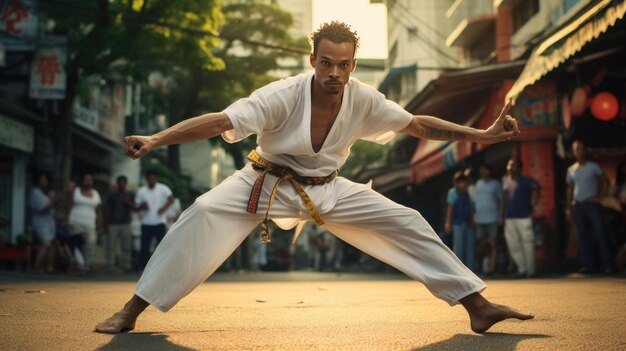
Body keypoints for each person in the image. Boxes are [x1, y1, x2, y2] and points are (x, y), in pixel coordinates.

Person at [95, 21, 532, 335]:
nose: (334, 74)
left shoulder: (364, 100)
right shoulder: (281, 95)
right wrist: (155, 139)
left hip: (330, 187)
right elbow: (219, 121)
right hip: (263, 182)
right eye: (326, 63)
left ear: (353, 65)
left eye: (343, 65)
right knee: (203, 212)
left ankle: (476, 305)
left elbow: (417, 124)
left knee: (408, 220)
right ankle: (133, 309)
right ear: (313, 60)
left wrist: (483, 133)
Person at [565, 140, 612, 273]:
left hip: (592, 204)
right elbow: (570, 188)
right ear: (573, 152)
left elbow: (605, 180)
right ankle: (587, 265)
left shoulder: (593, 166)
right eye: (576, 149)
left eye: (581, 148)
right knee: (582, 236)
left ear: (584, 151)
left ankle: (608, 265)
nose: (579, 151)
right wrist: (569, 207)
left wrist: (600, 197)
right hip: (578, 205)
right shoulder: (571, 169)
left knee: (599, 234)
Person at [501, 159, 539, 278]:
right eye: (509, 165)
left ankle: (531, 270)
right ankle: (522, 268)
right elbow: (502, 199)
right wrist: (501, 215)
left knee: (527, 243)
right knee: (513, 244)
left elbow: (536, 188)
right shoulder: (504, 180)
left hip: (524, 216)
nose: (510, 167)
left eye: (513, 165)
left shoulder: (526, 180)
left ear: (519, 168)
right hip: (509, 216)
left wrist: (533, 203)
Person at [135, 170, 174, 270]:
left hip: (159, 222)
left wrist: (164, 208)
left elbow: (171, 199)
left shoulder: (163, 188)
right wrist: (143, 206)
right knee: (145, 246)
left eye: (153, 178)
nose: (152, 180)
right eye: (150, 179)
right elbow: (136, 207)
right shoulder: (142, 191)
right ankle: (143, 267)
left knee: (161, 245)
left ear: (156, 179)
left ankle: (163, 266)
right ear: (147, 180)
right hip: (146, 222)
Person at [67, 173, 102, 272]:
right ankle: (78, 266)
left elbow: (98, 210)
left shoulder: (96, 193)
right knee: (76, 245)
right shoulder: (75, 191)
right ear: (82, 181)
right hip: (75, 222)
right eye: (86, 179)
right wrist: (66, 220)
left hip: (90, 224)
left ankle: (86, 266)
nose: (88, 181)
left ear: (92, 182)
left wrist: (99, 223)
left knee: (90, 244)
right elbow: (69, 205)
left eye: (89, 180)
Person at [473, 164, 502, 274]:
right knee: (481, 243)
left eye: (485, 170)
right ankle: (486, 263)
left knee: (493, 243)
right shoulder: (478, 184)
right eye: (481, 170)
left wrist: (500, 216)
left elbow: (501, 200)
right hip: (480, 218)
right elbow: (476, 202)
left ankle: (492, 267)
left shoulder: (496, 184)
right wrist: (474, 216)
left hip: (492, 217)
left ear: (489, 171)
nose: (483, 172)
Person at [29, 173, 61, 273]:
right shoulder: (35, 193)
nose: (44, 182)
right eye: (42, 180)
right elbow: (43, 208)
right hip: (40, 223)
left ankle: (49, 267)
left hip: (49, 222)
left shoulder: (46, 193)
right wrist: (53, 201)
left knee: (51, 244)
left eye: (45, 180)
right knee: (45, 243)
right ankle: (35, 267)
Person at [445, 172, 475, 271]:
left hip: (468, 222)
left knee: (470, 247)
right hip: (457, 223)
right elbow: (450, 208)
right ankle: (458, 270)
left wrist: (473, 219)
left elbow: (471, 207)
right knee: (459, 246)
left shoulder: (469, 192)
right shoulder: (453, 192)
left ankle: (470, 269)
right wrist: (448, 223)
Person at [105, 175, 135, 273]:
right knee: (111, 246)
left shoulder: (130, 194)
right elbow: (108, 209)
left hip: (126, 222)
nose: (122, 184)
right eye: (120, 182)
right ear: (117, 184)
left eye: (123, 182)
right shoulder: (112, 195)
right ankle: (110, 266)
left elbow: (135, 207)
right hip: (113, 223)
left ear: (126, 184)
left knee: (126, 246)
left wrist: (127, 202)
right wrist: (106, 223)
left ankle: (125, 265)